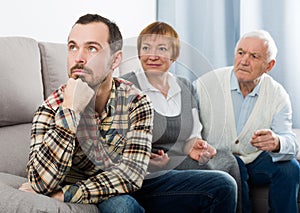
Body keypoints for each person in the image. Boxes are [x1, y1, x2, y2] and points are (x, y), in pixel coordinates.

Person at [18, 14, 237, 213]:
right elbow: (39, 183)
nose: (79, 58)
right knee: (123, 206)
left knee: (223, 184)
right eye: (73, 47)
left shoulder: (137, 101)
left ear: (115, 59)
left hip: (136, 181)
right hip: (93, 186)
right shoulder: (51, 107)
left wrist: (67, 194)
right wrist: (70, 111)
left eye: (92, 48)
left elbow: (131, 176)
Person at [121, 21, 240, 212]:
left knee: (229, 160)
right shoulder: (127, 85)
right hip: (150, 166)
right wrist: (145, 158)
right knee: (212, 175)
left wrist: (196, 146)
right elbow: (118, 138)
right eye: (146, 48)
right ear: (139, 53)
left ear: (174, 55)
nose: (152, 55)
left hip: (181, 156)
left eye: (161, 48)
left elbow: (192, 135)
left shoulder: (185, 86)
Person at [194, 29, 300, 213]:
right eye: (241, 53)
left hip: (255, 161)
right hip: (217, 159)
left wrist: (277, 142)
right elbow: (189, 128)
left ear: (269, 65)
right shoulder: (207, 84)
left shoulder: (277, 94)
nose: (244, 61)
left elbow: (290, 142)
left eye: (254, 56)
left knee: (290, 168)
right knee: (234, 164)